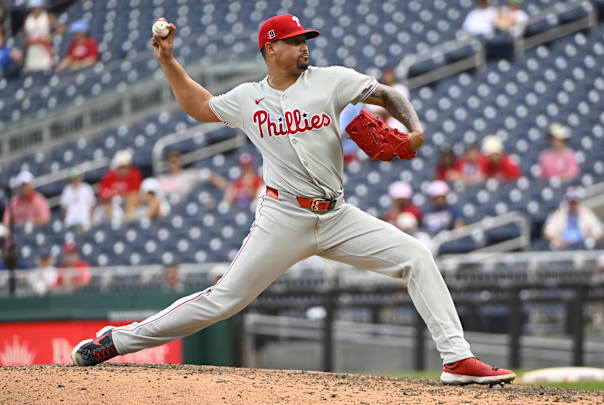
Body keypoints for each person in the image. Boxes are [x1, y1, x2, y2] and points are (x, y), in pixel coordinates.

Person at [70, 15, 516, 385]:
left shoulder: (331, 81)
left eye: (305, 40)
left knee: (417, 255)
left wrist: (414, 129)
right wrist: (169, 62)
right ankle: (118, 341)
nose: (304, 47)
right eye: (294, 41)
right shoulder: (249, 98)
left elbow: (387, 95)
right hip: (283, 217)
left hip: (336, 215)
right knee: (224, 300)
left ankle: (456, 359)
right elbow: (200, 107)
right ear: (270, 49)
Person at [157, 150, 226, 199]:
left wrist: (223, 185)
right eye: (171, 162)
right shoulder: (161, 179)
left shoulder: (189, 174)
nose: (173, 165)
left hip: (186, 203)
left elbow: (209, 175)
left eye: (175, 161)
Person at [454, 135, 522, 183]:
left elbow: (515, 181)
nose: (493, 157)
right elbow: (480, 177)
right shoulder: (485, 163)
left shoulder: (509, 165)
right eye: (491, 155)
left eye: (495, 154)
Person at [98, 150, 142, 221]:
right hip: (113, 206)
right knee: (107, 205)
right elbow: (102, 196)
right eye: (121, 167)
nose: (123, 170)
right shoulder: (109, 176)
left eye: (126, 167)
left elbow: (135, 194)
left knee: (132, 199)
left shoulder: (134, 174)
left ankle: (129, 221)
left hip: (128, 204)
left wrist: (121, 195)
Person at [22, 0, 64, 71]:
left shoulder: (47, 16)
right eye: (34, 7)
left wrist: (51, 37)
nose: (36, 9)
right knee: (32, 68)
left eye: (38, 7)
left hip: (44, 45)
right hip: (32, 47)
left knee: (45, 66)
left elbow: (61, 28)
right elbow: (23, 32)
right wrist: (27, 39)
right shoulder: (27, 18)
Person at [365, 68, 410, 132]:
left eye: (389, 75)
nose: (387, 78)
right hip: (378, 129)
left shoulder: (400, 89)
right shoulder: (375, 90)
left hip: (397, 128)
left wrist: (382, 110)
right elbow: (369, 111)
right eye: (386, 75)